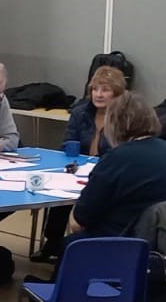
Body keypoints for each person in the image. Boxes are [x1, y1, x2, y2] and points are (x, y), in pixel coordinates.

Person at [71, 92, 166, 239]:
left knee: (72, 236)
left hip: (123, 242)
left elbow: (80, 220)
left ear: (112, 124)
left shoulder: (117, 159)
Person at [33, 66, 126, 261]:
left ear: (117, 94)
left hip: (106, 174)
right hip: (77, 170)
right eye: (95, 89)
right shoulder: (80, 113)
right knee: (59, 191)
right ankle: (53, 243)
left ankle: (84, 245)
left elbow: (122, 152)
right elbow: (67, 144)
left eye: (105, 90)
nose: (98, 94)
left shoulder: (124, 118)